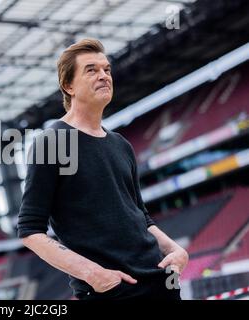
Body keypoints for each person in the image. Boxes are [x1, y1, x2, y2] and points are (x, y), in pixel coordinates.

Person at [17, 38, 189, 300]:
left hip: (161, 281)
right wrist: (93, 274)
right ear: (68, 85)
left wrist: (176, 250)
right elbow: (30, 229)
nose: (104, 76)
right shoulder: (52, 142)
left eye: (107, 69)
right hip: (111, 290)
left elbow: (141, 217)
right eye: (91, 70)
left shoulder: (121, 144)